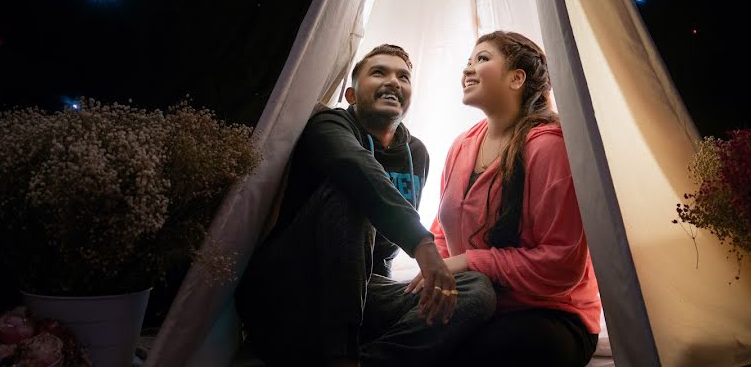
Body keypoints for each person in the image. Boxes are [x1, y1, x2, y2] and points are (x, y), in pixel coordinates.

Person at [235, 44, 496, 367]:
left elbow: (380, 256)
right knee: (354, 194)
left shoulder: (417, 153)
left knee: (475, 289)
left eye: (404, 77)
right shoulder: (327, 125)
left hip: (357, 294)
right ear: (351, 95)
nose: (393, 81)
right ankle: (342, 355)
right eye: (379, 72)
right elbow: (357, 169)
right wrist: (422, 244)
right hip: (291, 286)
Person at [406, 31, 600, 366]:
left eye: (481, 58)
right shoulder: (461, 145)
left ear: (516, 78)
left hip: (548, 314)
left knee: (483, 352)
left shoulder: (549, 147)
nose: (467, 69)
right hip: (477, 302)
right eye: (468, 61)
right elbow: (442, 230)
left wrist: (471, 261)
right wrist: (437, 275)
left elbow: (562, 263)